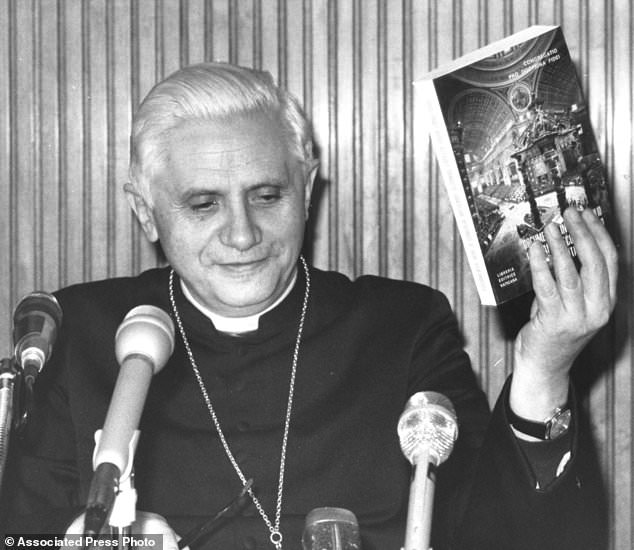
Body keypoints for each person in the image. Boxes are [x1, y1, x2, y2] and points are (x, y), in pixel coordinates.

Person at [2, 62, 617, 550]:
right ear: (146, 212)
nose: (242, 235)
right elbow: (15, 536)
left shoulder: (402, 328)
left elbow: (502, 539)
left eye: (267, 195)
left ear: (307, 187)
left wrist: (545, 368)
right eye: (203, 205)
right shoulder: (72, 334)